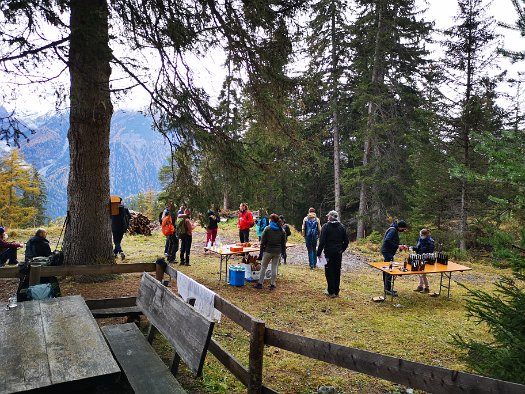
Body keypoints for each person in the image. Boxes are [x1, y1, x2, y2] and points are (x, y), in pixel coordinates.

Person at [316, 210, 349, 298]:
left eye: (328, 216)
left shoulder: (326, 227)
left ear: (331, 217)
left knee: (329, 271)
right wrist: (342, 249)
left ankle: (331, 291)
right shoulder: (342, 227)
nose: (327, 218)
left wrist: (318, 253)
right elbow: (346, 241)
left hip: (329, 253)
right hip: (338, 253)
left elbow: (322, 241)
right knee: (337, 271)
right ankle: (336, 291)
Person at [254, 213, 286, 290]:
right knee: (274, 267)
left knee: (263, 267)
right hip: (277, 252)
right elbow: (283, 243)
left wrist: (260, 253)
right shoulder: (282, 230)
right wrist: (283, 253)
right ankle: (273, 284)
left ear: (271, 220)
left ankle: (260, 283)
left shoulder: (267, 229)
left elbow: (262, 242)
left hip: (268, 251)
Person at [380, 220, 409, 296]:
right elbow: (387, 240)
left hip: (387, 251)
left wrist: (400, 246)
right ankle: (387, 289)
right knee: (389, 270)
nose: (403, 230)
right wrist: (398, 246)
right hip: (387, 252)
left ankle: (387, 288)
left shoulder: (394, 229)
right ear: (400, 227)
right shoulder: (393, 230)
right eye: (403, 229)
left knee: (387, 269)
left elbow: (393, 241)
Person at [413, 228, 435, 293]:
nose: (420, 236)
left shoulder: (430, 241)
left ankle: (427, 288)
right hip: (420, 257)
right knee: (419, 273)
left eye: (421, 235)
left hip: (426, 259)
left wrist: (422, 253)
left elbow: (429, 252)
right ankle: (420, 286)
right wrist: (414, 248)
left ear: (425, 235)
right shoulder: (420, 240)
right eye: (420, 235)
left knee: (423, 274)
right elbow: (418, 248)